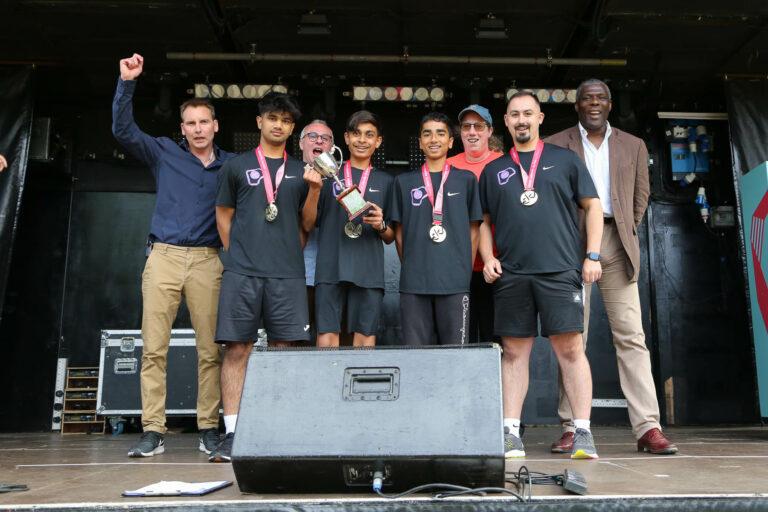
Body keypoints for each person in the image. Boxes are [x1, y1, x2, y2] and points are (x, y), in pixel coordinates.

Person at [112, 53, 234, 458]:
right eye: (191, 123)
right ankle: (152, 430)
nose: (199, 129)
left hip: (207, 259)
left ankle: (208, 429)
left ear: (215, 126)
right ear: (183, 129)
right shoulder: (164, 151)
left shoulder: (232, 166)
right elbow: (123, 130)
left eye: (205, 122)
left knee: (210, 350)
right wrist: (127, 82)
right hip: (162, 256)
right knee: (154, 348)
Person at [546, 79, 677, 455]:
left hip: (617, 241)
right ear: (577, 105)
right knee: (572, 337)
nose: (594, 103)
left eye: (600, 97)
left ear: (609, 103)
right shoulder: (556, 144)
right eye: (587, 98)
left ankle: (648, 427)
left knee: (631, 336)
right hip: (571, 245)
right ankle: (572, 426)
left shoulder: (633, 145)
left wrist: (624, 228)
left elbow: (641, 195)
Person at [479, 91, 603, 459]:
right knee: (514, 354)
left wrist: (592, 255)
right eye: (515, 114)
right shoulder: (493, 170)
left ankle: (582, 432)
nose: (521, 120)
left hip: (560, 270)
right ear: (505, 121)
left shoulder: (565, 160)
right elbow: (483, 222)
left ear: (540, 118)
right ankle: (510, 434)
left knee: (570, 350)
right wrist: (488, 257)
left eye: (527, 114)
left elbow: (593, 206)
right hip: (513, 275)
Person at [210, 92, 321, 462]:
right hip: (242, 272)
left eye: (286, 121)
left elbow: (307, 223)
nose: (279, 125)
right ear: (259, 122)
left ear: (292, 129)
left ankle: (275, 428)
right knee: (237, 348)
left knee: (284, 352)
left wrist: (316, 190)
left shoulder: (300, 171)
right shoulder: (237, 166)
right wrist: (235, 254)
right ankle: (233, 433)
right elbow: (223, 212)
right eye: (273, 118)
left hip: (287, 274)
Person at [390, 112, 482, 345]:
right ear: (420, 141)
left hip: (455, 283)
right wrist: (413, 266)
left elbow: (474, 231)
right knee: (416, 354)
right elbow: (399, 234)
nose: (434, 139)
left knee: (455, 354)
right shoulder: (403, 182)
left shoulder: (466, 180)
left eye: (441, 133)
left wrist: (462, 272)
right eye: (427, 134)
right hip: (414, 283)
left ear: (451, 141)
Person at [309, 110, 394, 347]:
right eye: (356, 134)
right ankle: (326, 385)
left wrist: (381, 224)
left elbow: (390, 237)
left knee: (365, 337)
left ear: (378, 141)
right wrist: (314, 190)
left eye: (369, 135)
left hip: (368, 271)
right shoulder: (327, 176)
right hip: (330, 267)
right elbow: (308, 222)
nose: (362, 140)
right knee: (326, 335)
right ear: (346, 138)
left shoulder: (387, 182)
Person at [446, 105, 503, 344]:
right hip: (459, 265)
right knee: (461, 337)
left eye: (478, 126)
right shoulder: (448, 165)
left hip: (498, 265)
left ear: (489, 131)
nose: (472, 132)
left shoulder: (505, 163)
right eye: (466, 127)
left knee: (496, 339)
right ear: (460, 133)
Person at [298, 119, 335, 341]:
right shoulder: (287, 175)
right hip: (297, 276)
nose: (319, 140)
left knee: (331, 339)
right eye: (312, 136)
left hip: (332, 277)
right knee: (294, 341)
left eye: (325, 138)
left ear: (332, 147)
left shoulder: (341, 179)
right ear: (301, 143)